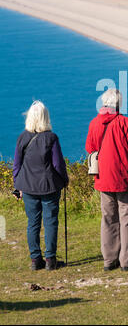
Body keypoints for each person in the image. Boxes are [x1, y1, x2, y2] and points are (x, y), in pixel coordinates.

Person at [86, 88, 128, 272]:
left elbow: (90, 147)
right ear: (119, 104)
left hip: (104, 178)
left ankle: (109, 259)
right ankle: (127, 260)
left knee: (108, 219)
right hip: (125, 178)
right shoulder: (126, 123)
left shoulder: (94, 123)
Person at [13, 101, 68, 271]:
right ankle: (50, 259)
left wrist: (17, 185)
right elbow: (58, 164)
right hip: (49, 186)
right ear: (45, 117)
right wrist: (65, 180)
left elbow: (17, 164)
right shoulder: (51, 138)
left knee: (33, 223)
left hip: (28, 186)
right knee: (50, 221)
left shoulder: (22, 137)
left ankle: (35, 259)